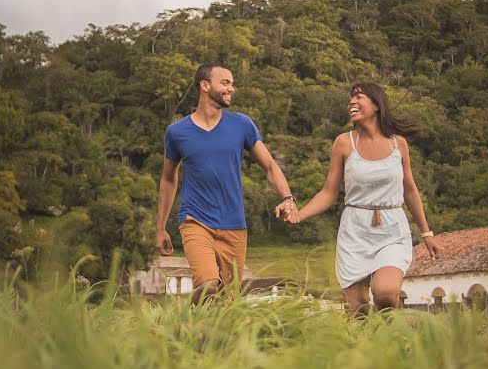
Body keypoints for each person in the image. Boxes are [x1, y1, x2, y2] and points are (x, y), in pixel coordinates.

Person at [279, 82, 439, 314]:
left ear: (376, 105)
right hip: (355, 229)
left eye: (358, 97)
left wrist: (426, 233)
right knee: (358, 310)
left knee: (385, 293)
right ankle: (364, 347)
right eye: (350, 99)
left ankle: (388, 337)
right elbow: (328, 193)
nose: (351, 102)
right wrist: (299, 214)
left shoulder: (398, 144)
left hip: (391, 228)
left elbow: (410, 190)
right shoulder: (343, 143)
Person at [156, 63, 295, 305]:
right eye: (225, 83)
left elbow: (270, 166)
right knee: (208, 284)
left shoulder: (241, 124)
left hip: (234, 226)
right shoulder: (177, 132)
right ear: (205, 85)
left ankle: (195, 334)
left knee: (228, 304)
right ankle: (185, 321)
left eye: (232, 83)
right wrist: (160, 227)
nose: (232, 88)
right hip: (195, 220)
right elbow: (168, 178)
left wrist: (287, 198)